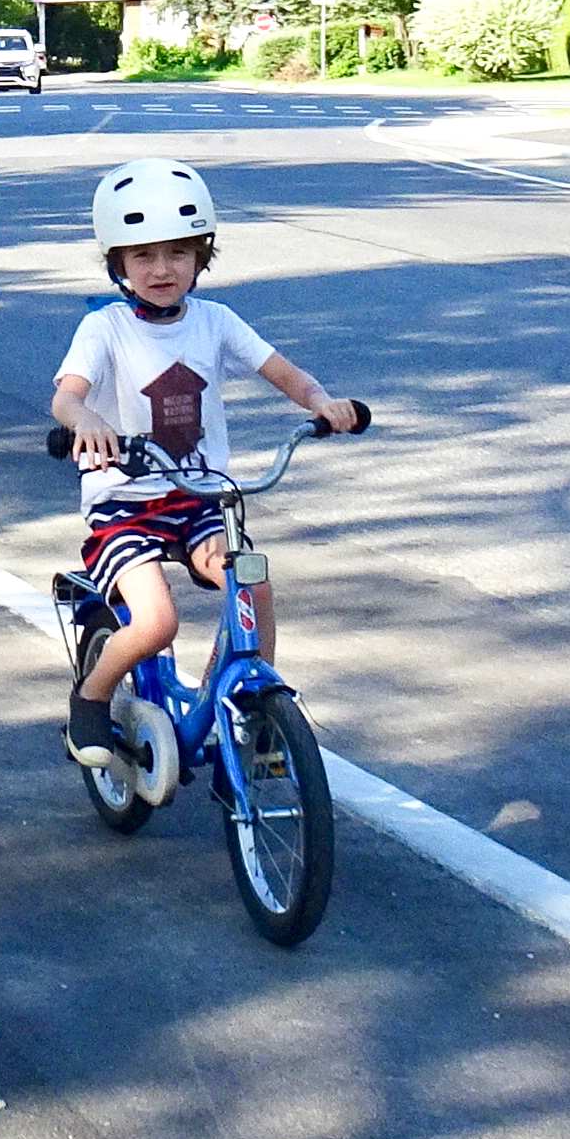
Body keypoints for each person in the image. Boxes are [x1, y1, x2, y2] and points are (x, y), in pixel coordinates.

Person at [50, 156, 366, 775]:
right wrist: (85, 421)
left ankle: (256, 705)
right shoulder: (104, 328)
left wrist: (321, 402)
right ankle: (90, 699)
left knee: (252, 585)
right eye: (143, 255)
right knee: (156, 622)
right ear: (117, 263)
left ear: (202, 256)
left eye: (179, 252)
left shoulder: (215, 322)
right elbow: (68, 395)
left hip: (201, 501)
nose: (162, 269)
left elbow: (284, 373)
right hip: (125, 508)